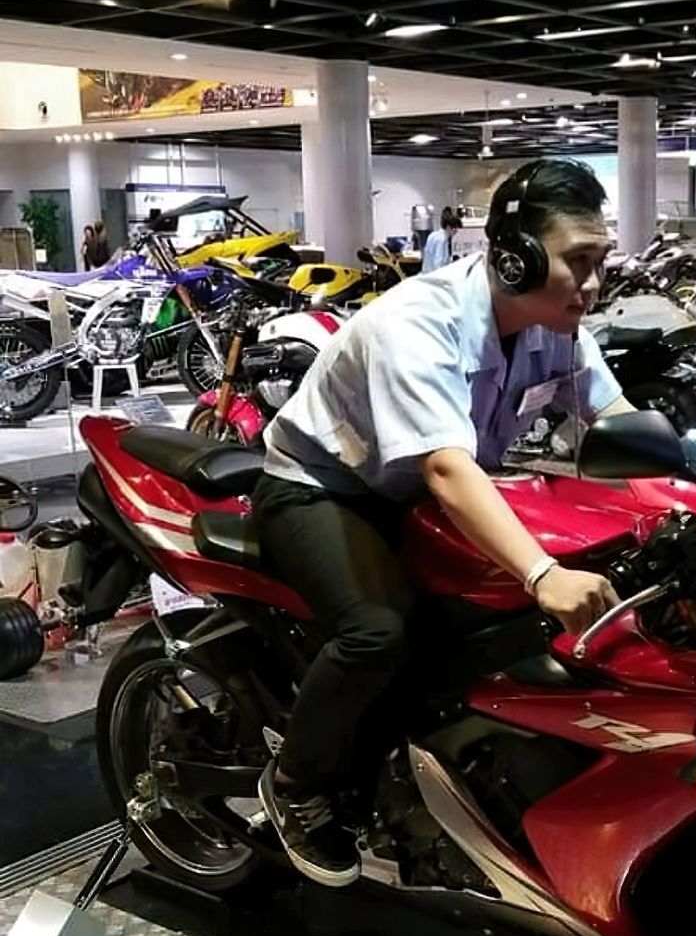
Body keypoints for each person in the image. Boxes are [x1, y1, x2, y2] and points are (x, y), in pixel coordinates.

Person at [252, 158, 634, 887]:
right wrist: (544, 573)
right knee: (379, 631)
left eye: (600, 261)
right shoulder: (418, 323)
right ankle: (297, 784)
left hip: (429, 496)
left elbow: (615, 420)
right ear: (515, 257)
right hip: (323, 488)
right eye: (577, 263)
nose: (592, 283)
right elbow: (446, 469)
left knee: (488, 628)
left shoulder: (558, 326)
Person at [421, 207, 462, 273]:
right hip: (434, 277)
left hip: (427, 274)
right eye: (455, 230)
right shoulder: (442, 240)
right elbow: (439, 264)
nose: (455, 234)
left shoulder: (434, 235)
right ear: (449, 227)